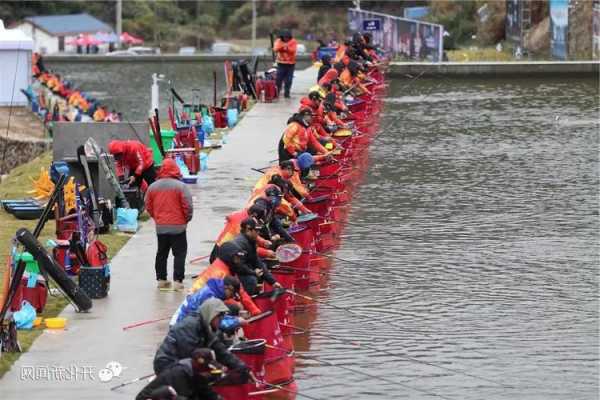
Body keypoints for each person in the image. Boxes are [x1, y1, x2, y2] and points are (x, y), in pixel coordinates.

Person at [153, 298, 250, 379]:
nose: (221, 321)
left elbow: (221, 350)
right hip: (167, 363)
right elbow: (191, 355)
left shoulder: (205, 326)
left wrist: (242, 367)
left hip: (182, 362)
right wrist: (216, 366)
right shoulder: (189, 326)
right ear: (211, 313)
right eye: (219, 317)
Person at [145, 158, 193, 291]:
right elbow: (187, 206)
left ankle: (161, 279)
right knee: (179, 254)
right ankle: (178, 281)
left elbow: (148, 206)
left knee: (161, 253)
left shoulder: (153, 187)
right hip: (178, 226)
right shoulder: (180, 186)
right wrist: (186, 219)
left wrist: (157, 218)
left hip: (161, 227)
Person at [191, 242, 261, 316]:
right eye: (236, 258)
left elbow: (241, 291)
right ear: (229, 257)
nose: (239, 261)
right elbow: (217, 298)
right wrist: (237, 305)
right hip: (198, 305)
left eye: (239, 258)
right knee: (235, 307)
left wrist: (255, 310)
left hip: (205, 300)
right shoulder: (219, 273)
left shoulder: (229, 267)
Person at [137, 348, 223, 400]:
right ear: (198, 364)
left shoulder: (196, 373)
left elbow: (206, 391)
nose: (208, 373)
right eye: (206, 369)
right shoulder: (179, 374)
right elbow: (183, 397)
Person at [231, 218, 282, 295]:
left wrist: (273, 282)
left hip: (242, 267)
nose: (258, 233)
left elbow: (257, 262)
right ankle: (245, 298)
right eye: (256, 231)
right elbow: (238, 266)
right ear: (248, 230)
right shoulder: (240, 243)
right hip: (233, 272)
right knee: (251, 279)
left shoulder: (250, 241)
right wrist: (253, 273)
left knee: (262, 268)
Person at [170, 276, 242, 325]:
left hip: (184, 320)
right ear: (227, 287)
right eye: (232, 294)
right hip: (181, 326)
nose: (231, 297)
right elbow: (216, 321)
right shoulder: (210, 296)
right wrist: (237, 321)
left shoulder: (214, 289)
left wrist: (235, 319)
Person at [273, 29, 298, 98]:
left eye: (287, 37)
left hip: (291, 64)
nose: (286, 38)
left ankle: (287, 94)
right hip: (281, 63)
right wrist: (285, 47)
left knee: (289, 79)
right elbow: (275, 49)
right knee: (279, 79)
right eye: (284, 37)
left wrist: (284, 48)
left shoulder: (293, 41)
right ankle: (276, 93)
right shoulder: (278, 41)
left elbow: (293, 50)